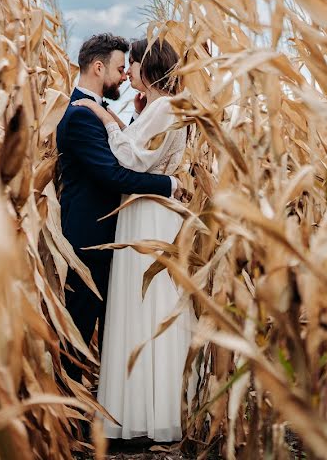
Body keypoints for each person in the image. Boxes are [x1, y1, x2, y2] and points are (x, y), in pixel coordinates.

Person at [73, 37, 196, 443]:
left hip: (146, 214)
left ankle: (143, 414)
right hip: (150, 213)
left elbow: (129, 160)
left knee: (143, 309)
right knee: (151, 305)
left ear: (148, 67)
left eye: (133, 65)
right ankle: (153, 408)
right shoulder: (160, 107)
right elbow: (141, 150)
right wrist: (128, 122)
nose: (128, 73)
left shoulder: (164, 106)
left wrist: (106, 118)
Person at [55, 34, 180, 389]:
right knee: (78, 329)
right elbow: (112, 174)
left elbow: (129, 152)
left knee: (117, 323)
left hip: (114, 236)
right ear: (98, 68)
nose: (125, 76)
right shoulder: (81, 114)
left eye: (129, 68)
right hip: (88, 238)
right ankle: (69, 420)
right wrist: (168, 185)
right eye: (119, 68)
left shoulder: (97, 111)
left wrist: (132, 122)